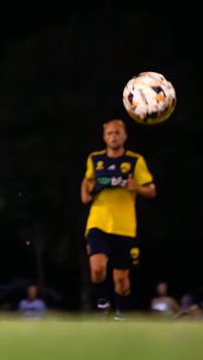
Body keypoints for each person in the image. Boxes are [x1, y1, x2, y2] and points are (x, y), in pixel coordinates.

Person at [81, 119, 156, 318]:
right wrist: (86, 192)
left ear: (124, 136)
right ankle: (102, 302)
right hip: (99, 222)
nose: (113, 136)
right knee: (97, 268)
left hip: (125, 227)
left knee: (121, 279)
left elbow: (151, 190)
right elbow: (86, 186)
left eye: (117, 133)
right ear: (104, 137)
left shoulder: (134, 161)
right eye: (110, 133)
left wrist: (137, 188)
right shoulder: (95, 159)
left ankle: (121, 314)